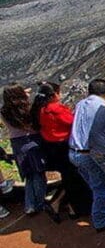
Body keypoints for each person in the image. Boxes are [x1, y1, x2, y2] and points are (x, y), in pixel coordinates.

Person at [31, 81, 92, 220]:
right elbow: (72, 121)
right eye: (59, 92)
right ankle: (65, 205)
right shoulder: (57, 109)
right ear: (53, 95)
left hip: (50, 147)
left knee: (68, 176)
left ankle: (66, 206)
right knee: (73, 177)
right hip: (62, 146)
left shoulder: (40, 108)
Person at [69, 78, 105, 231]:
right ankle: (102, 220)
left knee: (93, 184)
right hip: (87, 153)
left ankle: (100, 211)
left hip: (73, 151)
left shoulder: (80, 104)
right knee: (101, 187)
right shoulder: (102, 106)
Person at [1, 84, 47, 216]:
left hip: (17, 144)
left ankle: (29, 205)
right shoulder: (26, 110)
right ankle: (38, 204)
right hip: (31, 142)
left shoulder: (4, 112)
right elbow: (32, 126)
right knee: (38, 174)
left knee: (29, 176)